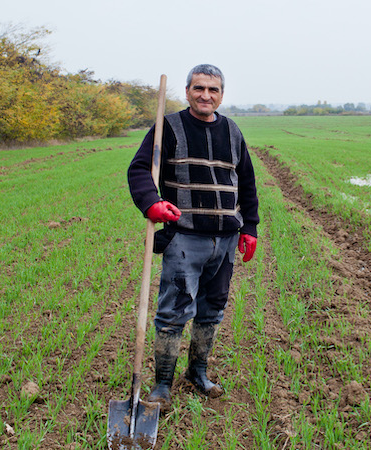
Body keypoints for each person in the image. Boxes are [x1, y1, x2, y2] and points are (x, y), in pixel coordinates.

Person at [127, 64, 259, 408]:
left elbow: (246, 182)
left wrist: (250, 228)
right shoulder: (167, 127)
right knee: (173, 312)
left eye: (213, 90)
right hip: (185, 239)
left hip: (226, 239)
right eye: (199, 88)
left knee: (211, 310)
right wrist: (151, 204)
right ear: (187, 92)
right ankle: (162, 384)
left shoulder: (232, 130)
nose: (205, 95)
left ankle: (197, 372)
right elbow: (140, 169)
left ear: (221, 95)